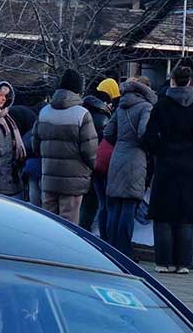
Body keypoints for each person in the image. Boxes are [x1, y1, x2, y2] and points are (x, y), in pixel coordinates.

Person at [143, 66, 193, 274]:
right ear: (189, 81)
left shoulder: (162, 103)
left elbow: (149, 135)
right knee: (186, 212)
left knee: (164, 212)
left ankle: (163, 261)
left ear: (172, 80)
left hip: (166, 161)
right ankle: (183, 262)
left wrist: (158, 149)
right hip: (189, 162)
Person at [33, 69, 98, 225]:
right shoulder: (82, 114)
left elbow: (35, 146)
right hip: (74, 180)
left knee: (48, 223)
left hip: (49, 177)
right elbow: (89, 150)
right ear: (78, 90)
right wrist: (90, 168)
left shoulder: (44, 112)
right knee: (69, 225)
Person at [104, 76, 157, 257]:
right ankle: (124, 250)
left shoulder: (121, 106)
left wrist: (121, 142)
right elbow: (143, 132)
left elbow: (108, 132)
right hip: (135, 158)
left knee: (115, 205)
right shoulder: (146, 107)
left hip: (117, 156)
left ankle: (110, 247)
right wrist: (149, 147)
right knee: (129, 205)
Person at [81, 79, 119, 233]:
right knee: (96, 205)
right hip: (98, 165)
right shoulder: (104, 118)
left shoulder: (84, 111)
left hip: (82, 166)